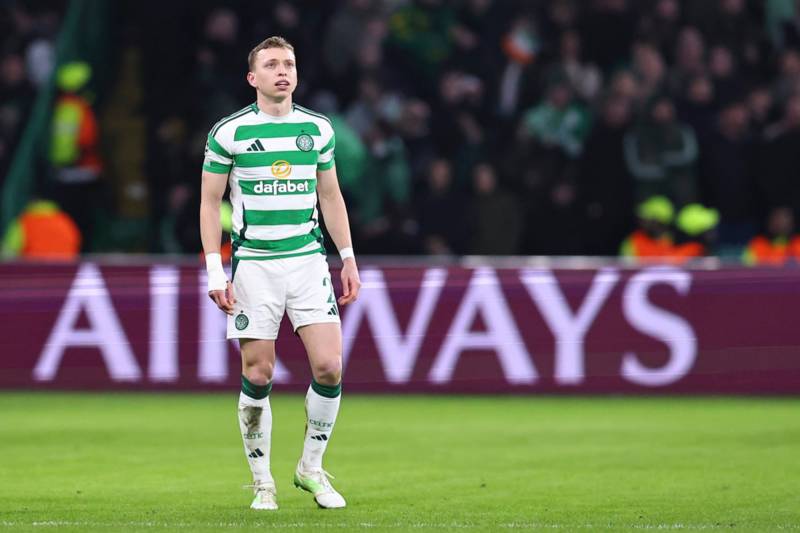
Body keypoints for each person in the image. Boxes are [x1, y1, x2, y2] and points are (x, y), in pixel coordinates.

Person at [199, 36, 361, 511]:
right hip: (254, 265)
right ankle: (262, 481)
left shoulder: (318, 129)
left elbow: (330, 196)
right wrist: (215, 271)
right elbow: (209, 202)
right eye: (271, 64)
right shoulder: (229, 132)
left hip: (308, 262)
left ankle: (310, 468)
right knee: (259, 371)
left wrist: (348, 257)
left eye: (288, 63)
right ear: (253, 78)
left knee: (330, 366)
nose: (282, 71)